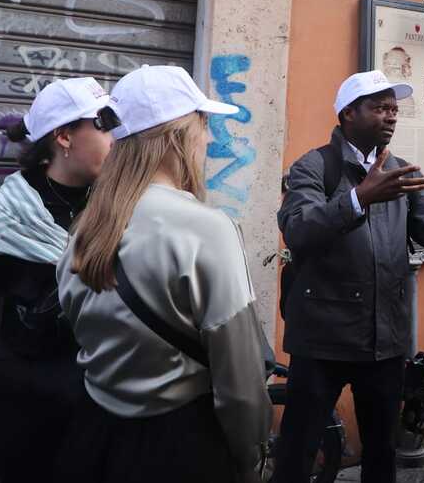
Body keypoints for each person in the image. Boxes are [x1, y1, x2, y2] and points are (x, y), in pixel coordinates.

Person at [274, 70, 424, 483]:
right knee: (297, 453)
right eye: (379, 108)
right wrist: (358, 198)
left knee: (381, 455)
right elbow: (299, 229)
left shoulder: (401, 171)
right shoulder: (313, 166)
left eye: (394, 109)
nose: (391, 116)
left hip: (383, 341)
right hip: (322, 339)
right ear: (348, 114)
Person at [55, 65, 271, 483]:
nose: (209, 139)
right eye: (203, 125)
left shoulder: (85, 228)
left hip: (94, 437)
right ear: (179, 136)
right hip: (181, 446)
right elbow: (241, 385)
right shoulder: (209, 229)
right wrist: (252, 460)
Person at [0, 77, 113, 483]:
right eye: (103, 123)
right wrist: (38, 381)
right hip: (31, 426)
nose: (115, 137)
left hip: (106, 419)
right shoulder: (7, 214)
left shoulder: (117, 207)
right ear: (64, 136)